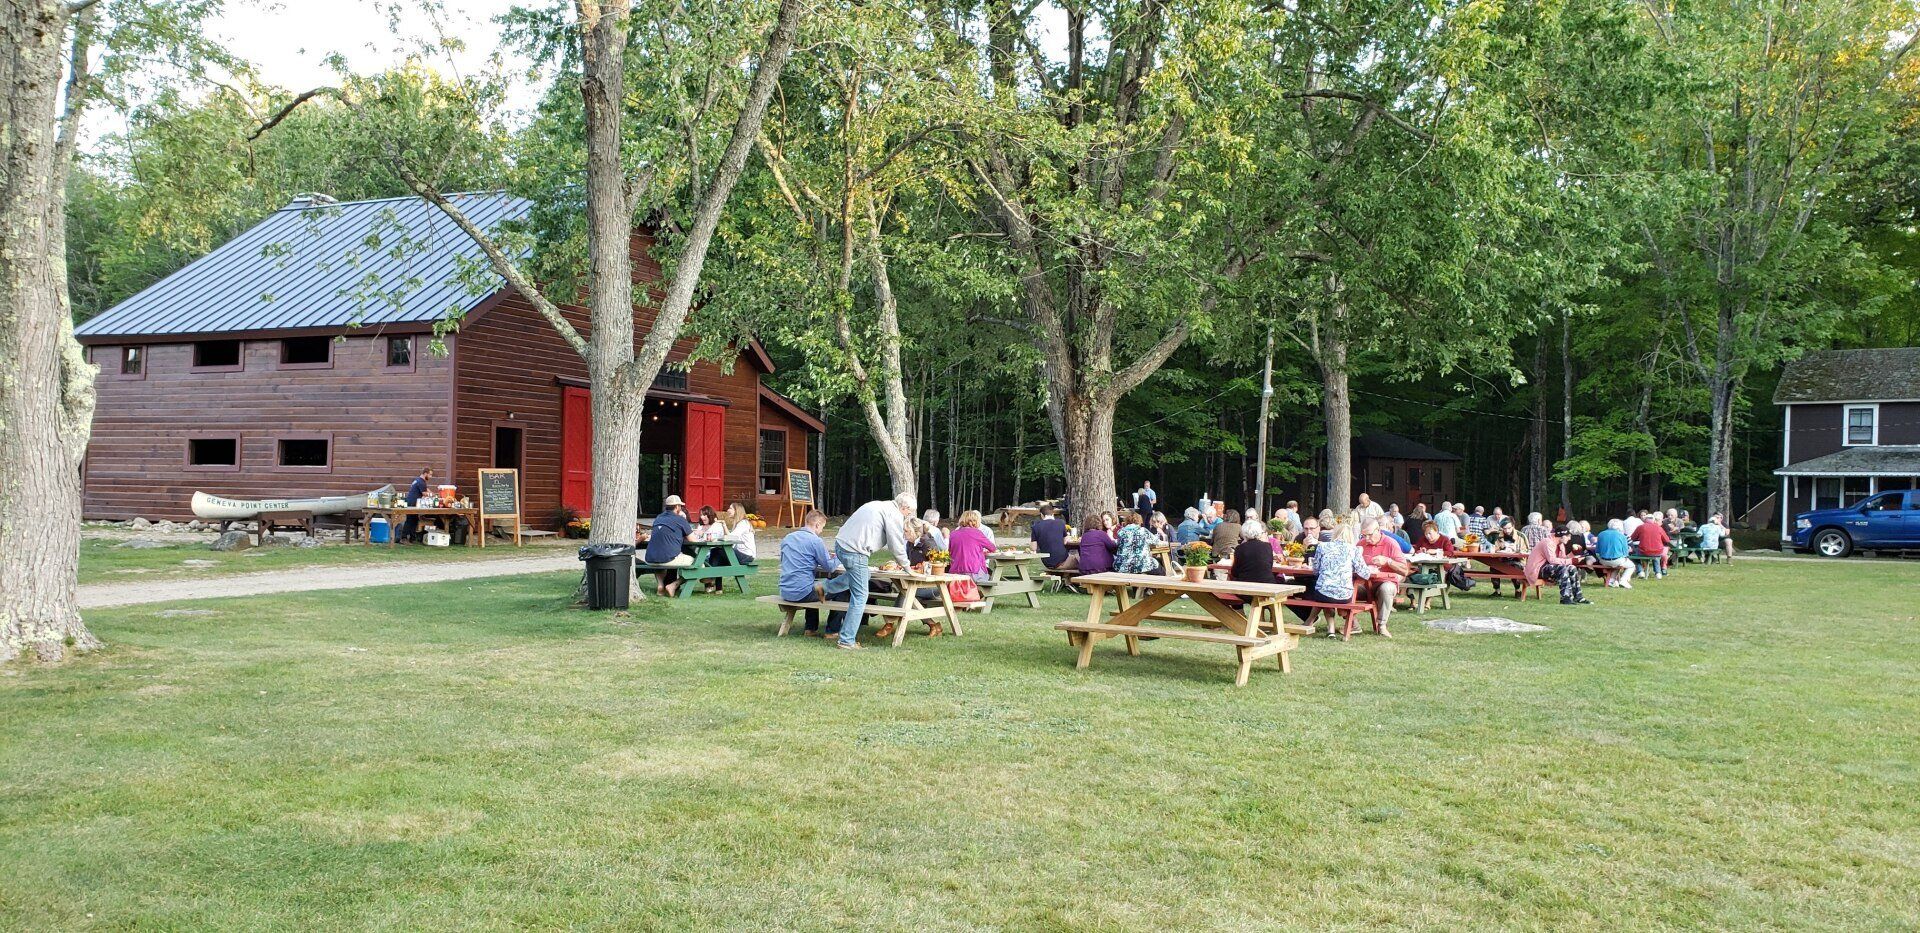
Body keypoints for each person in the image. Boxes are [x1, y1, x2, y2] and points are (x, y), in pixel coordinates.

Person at [830, 493, 915, 650]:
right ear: (904, 507)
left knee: (862, 575)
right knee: (861, 595)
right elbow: (896, 545)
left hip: (841, 545)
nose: (908, 515)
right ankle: (846, 640)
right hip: (855, 552)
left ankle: (824, 588)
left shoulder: (878, 504)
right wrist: (907, 567)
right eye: (909, 512)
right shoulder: (894, 513)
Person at [1290, 529, 1375, 634]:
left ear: (1334, 535)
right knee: (1328, 592)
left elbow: (1316, 570)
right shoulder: (1353, 549)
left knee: (1324, 592)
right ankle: (1327, 628)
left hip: (1324, 592)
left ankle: (1316, 624)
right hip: (1345, 595)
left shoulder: (1322, 546)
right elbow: (1365, 574)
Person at [779, 510, 847, 635]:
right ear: (817, 525)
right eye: (822, 527)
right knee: (842, 588)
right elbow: (830, 567)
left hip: (785, 591)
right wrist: (839, 556)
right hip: (802, 593)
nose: (821, 531)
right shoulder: (815, 540)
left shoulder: (788, 538)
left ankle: (810, 629)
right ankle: (832, 631)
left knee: (815, 585)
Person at [1357, 518, 1412, 636]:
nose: (1366, 538)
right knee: (1345, 588)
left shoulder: (1391, 543)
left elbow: (1404, 570)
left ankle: (1382, 625)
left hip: (1385, 582)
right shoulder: (1360, 544)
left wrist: (1388, 561)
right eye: (1363, 535)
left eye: (1369, 535)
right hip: (1364, 583)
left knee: (1386, 588)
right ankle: (1353, 624)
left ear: (1378, 530)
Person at [645, 495, 696, 597]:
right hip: (668, 559)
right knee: (698, 563)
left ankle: (660, 585)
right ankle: (673, 585)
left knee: (659, 557)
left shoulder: (658, 518)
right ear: (677, 507)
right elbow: (693, 541)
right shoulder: (680, 520)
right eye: (680, 506)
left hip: (650, 559)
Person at [1527, 528, 1592, 605]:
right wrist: (1573, 560)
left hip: (1547, 567)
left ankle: (1578, 597)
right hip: (1537, 569)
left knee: (1572, 568)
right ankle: (1565, 598)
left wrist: (1574, 553)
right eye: (1568, 536)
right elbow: (1552, 560)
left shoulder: (1560, 544)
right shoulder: (1547, 542)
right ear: (1561, 536)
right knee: (1562, 568)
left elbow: (1563, 559)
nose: (1570, 538)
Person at [947, 510, 998, 585]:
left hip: (955, 572)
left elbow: (950, 551)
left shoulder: (953, 534)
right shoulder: (977, 533)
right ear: (976, 521)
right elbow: (992, 548)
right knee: (990, 578)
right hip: (974, 572)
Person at [1228, 519, 1276, 586]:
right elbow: (1269, 567)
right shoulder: (1267, 546)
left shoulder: (1240, 548)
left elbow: (1235, 572)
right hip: (1267, 585)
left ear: (1244, 533)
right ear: (1259, 531)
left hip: (1246, 587)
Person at [1114, 511, 1162, 576]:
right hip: (1141, 565)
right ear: (1139, 521)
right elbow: (1157, 542)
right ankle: (1149, 586)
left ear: (1126, 521)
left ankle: (1139, 586)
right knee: (1161, 571)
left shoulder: (1121, 532)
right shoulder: (1143, 531)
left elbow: (1118, 545)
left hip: (1122, 566)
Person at [1594, 519, 1634, 588]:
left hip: (1603, 560)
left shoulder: (1601, 534)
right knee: (1631, 566)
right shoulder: (1622, 536)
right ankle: (1623, 580)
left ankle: (1611, 581)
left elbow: (1597, 550)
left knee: (1617, 564)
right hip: (1616, 560)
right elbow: (1625, 552)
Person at [399, 467, 434, 542]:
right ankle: (404, 538)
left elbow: (426, 489)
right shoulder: (421, 482)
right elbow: (425, 493)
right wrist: (433, 496)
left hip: (411, 501)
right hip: (412, 503)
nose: (431, 477)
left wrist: (432, 493)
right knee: (410, 520)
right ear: (425, 474)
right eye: (430, 475)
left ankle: (412, 538)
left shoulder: (418, 480)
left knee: (414, 520)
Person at [1029, 505, 1069, 569]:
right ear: (1052, 514)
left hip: (1046, 561)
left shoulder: (1036, 526)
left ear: (1042, 515)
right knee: (1078, 559)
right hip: (1063, 560)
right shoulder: (1061, 523)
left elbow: (1033, 548)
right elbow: (1065, 541)